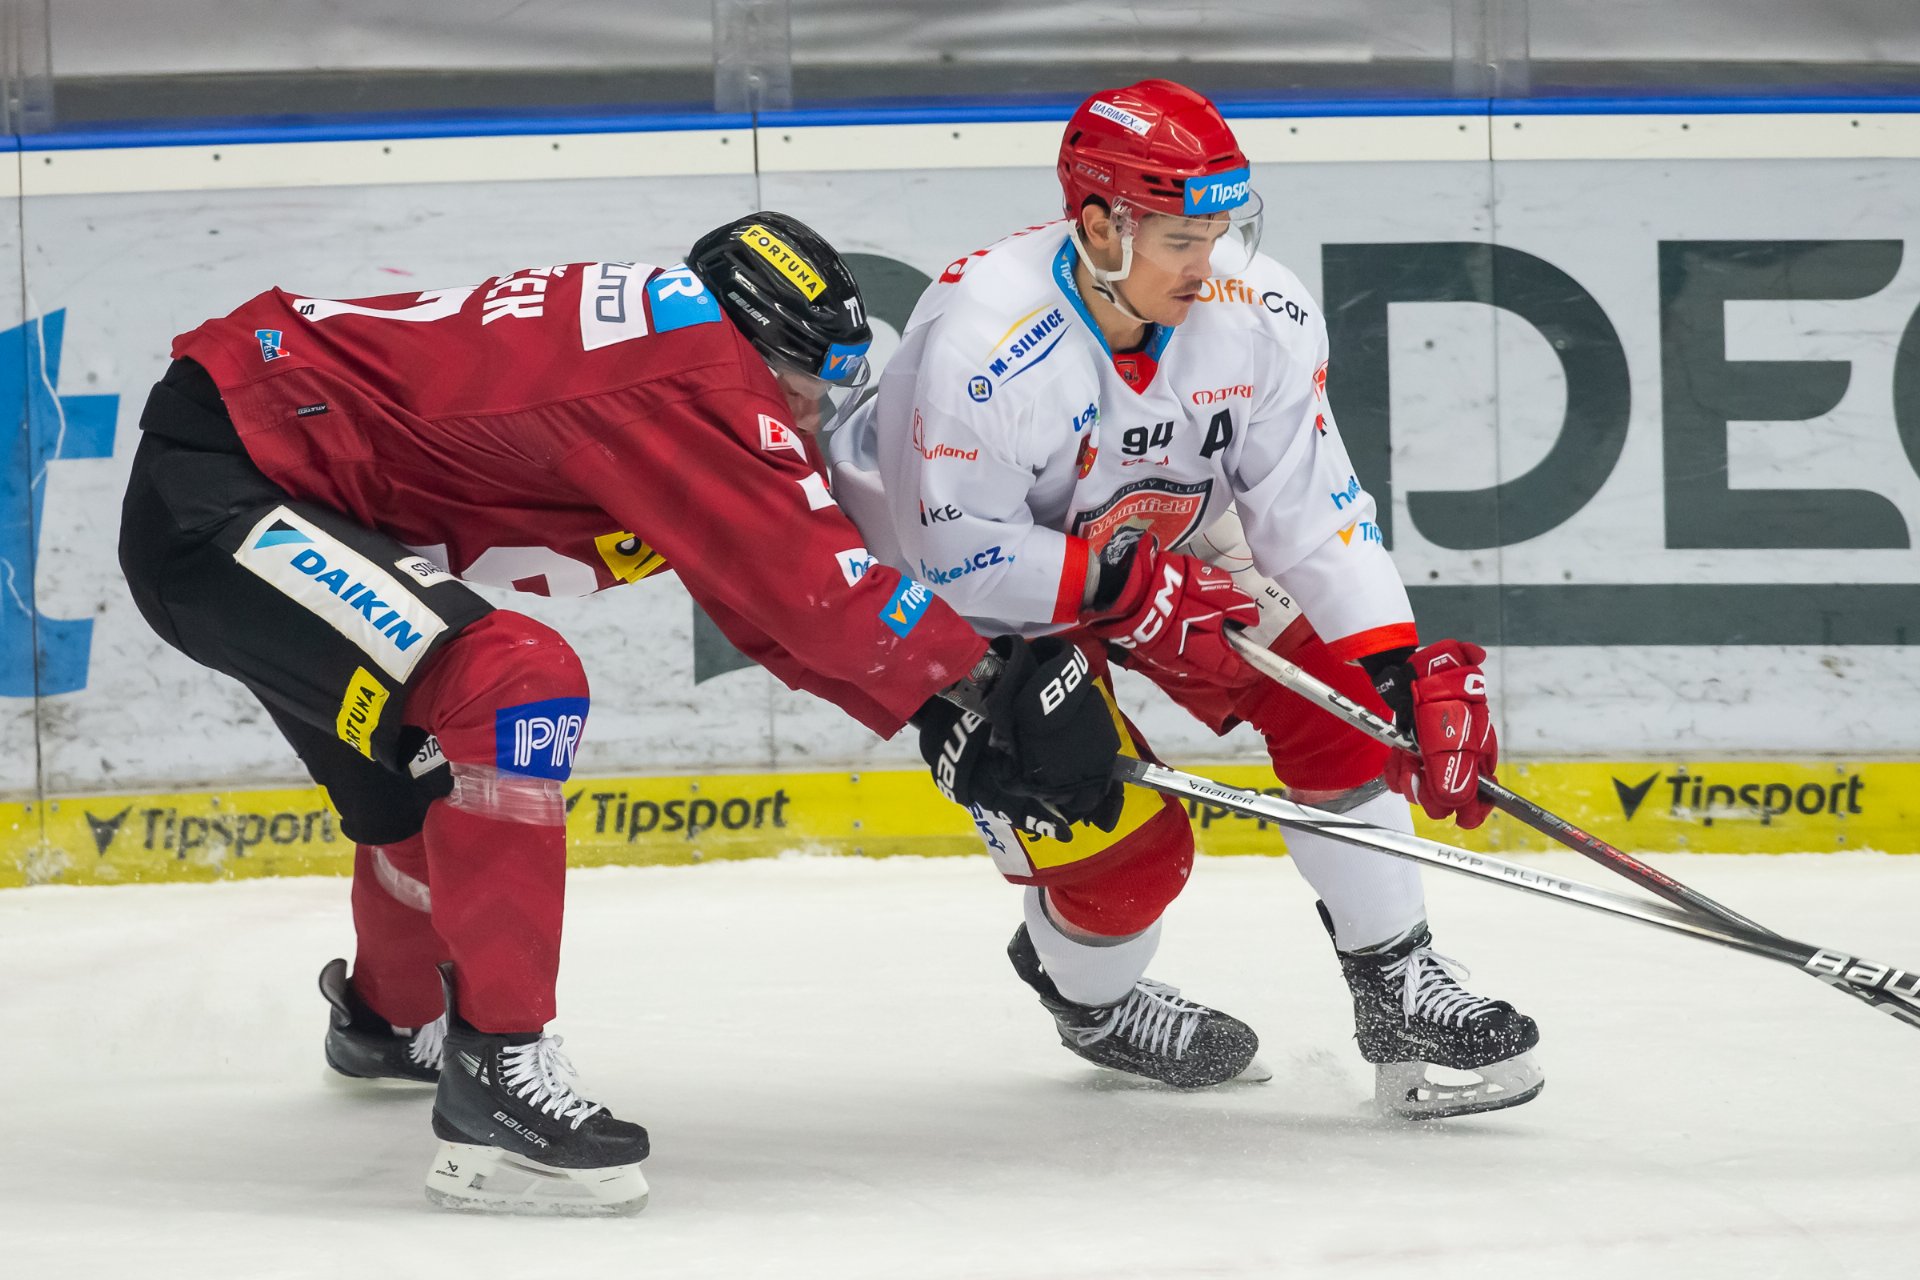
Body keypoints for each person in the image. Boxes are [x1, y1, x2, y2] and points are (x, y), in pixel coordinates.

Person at [118, 212, 1126, 1216]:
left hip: (278, 474)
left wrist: (933, 706)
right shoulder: (694, 373)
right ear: (751, 339)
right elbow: (810, 583)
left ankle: (390, 1017)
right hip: (225, 495)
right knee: (510, 684)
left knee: (427, 765)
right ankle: (497, 1079)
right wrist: (988, 681)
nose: (813, 410)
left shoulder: (672, 348)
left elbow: (752, 582)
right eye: (803, 377)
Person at [827, 81, 1542, 1119]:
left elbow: (1312, 509)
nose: (1208, 266)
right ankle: (1091, 1003)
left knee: (1342, 702)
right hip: (964, 603)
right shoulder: (987, 341)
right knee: (1127, 852)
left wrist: (1397, 670)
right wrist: (1128, 586)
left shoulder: (1258, 310)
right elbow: (958, 554)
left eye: (1219, 232)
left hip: (1153, 533)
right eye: (1179, 240)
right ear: (1098, 228)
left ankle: (1397, 985)